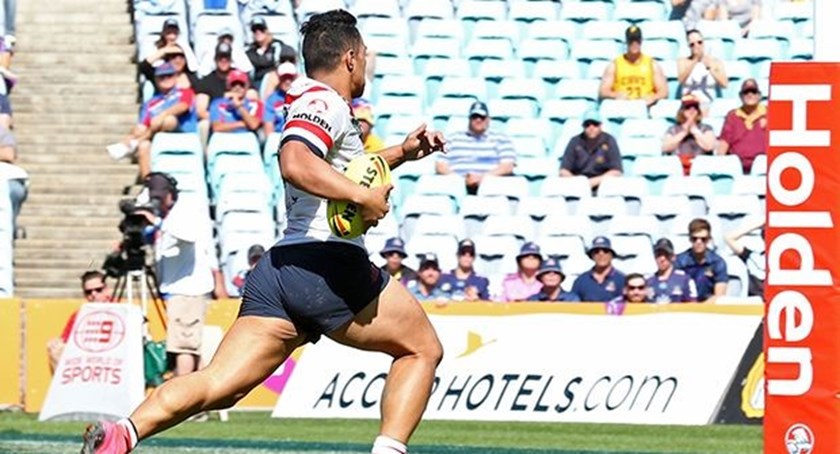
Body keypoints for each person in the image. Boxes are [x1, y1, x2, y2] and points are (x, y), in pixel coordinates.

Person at [82, 10, 445, 454]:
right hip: (327, 263)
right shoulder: (323, 102)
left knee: (220, 384)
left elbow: (343, 167)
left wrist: (402, 153)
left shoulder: (318, 103)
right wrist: (362, 197)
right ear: (350, 58)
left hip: (283, 270)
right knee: (421, 349)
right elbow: (295, 161)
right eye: (365, 56)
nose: (366, 64)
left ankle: (122, 434)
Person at [140, 173, 228, 380]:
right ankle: (195, 390)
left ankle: (182, 391)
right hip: (176, 288)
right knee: (185, 343)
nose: (156, 201)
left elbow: (188, 236)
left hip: (188, 288)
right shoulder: (165, 215)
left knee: (184, 345)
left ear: (171, 194)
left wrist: (157, 222)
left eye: (160, 197)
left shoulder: (184, 212)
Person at [106, 63, 198, 179]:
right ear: (156, 79)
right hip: (155, 133)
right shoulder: (151, 102)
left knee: (168, 120)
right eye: (162, 77)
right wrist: (134, 134)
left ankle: (132, 144)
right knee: (142, 140)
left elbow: (183, 106)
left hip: (181, 132)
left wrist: (162, 116)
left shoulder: (185, 92)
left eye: (169, 75)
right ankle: (148, 181)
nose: (166, 79)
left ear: (175, 77)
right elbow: (142, 124)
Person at [435, 101, 515, 195]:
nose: (478, 120)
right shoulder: (452, 139)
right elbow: (440, 165)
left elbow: (507, 166)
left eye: (482, 117)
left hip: (491, 186)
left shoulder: (501, 139)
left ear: (488, 119)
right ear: (469, 119)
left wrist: (482, 178)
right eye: (474, 117)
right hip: (456, 186)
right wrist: (461, 180)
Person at [47, 271, 113, 373]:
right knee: (54, 345)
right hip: (86, 355)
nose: (93, 294)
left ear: (107, 290)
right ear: (84, 295)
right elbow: (65, 340)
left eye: (98, 290)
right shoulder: (79, 315)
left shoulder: (121, 308)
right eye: (89, 292)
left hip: (112, 355)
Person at [599, 25, 668, 107]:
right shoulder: (614, 65)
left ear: (641, 41)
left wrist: (653, 97)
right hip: (622, 106)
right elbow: (603, 91)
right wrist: (616, 95)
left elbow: (663, 91)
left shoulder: (652, 64)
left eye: (637, 41)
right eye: (631, 41)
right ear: (626, 42)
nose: (634, 44)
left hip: (644, 106)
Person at [559, 109, 622, 191]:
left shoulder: (609, 141)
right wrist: (576, 183)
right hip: (578, 185)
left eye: (595, 124)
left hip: (603, 185)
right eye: (587, 125)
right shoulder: (575, 141)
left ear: (600, 125)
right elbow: (564, 170)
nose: (591, 128)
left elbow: (616, 171)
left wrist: (591, 182)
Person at [717, 78, 767, 174]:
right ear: (740, 96)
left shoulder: (770, 113)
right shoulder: (733, 116)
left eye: (753, 92)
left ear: (759, 95)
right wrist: (720, 162)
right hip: (737, 167)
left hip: (764, 166)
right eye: (746, 92)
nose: (750, 95)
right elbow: (724, 142)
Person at [674, 218, 728, 302]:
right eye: (694, 239)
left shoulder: (717, 263)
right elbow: (674, 289)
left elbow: (719, 296)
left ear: (709, 239)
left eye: (703, 239)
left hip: (709, 306)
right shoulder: (679, 262)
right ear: (690, 239)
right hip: (684, 305)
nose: (699, 242)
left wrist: (700, 308)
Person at [661, 94, 716, 175]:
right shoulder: (672, 129)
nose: (692, 110)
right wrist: (684, 132)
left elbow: (709, 146)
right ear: (682, 111)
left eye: (695, 108)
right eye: (688, 108)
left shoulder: (706, 128)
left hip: (701, 166)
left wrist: (695, 131)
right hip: (678, 165)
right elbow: (666, 147)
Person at [196, 43, 235, 151]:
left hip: (239, 118)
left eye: (226, 57)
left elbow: (253, 98)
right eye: (220, 57)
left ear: (231, 59)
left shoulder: (240, 77)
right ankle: (204, 156)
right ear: (215, 59)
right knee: (203, 125)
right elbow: (200, 110)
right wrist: (221, 119)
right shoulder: (207, 81)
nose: (223, 61)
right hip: (216, 120)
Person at [677, 29, 727, 110]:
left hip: (709, 104)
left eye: (699, 42)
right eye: (692, 44)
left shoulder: (715, 62)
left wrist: (710, 67)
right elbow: (681, 80)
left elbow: (724, 84)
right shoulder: (683, 61)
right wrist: (695, 60)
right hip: (689, 104)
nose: (696, 46)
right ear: (688, 46)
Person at [246, 16, 297, 89]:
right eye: (255, 30)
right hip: (256, 83)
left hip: (277, 83)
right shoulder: (249, 51)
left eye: (261, 29)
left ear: (267, 30)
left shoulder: (278, 47)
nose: (258, 32)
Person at [571, 236, 626, 302]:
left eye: (605, 251)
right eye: (596, 251)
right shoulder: (581, 281)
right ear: (592, 256)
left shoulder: (622, 280)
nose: (601, 254)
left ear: (612, 255)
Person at [209, 70, 263, 134]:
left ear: (247, 86)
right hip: (223, 136)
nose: (237, 87)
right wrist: (243, 124)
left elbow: (254, 125)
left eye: (241, 84)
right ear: (228, 86)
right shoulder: (217, 103)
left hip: (246, 136)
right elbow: (216, 127)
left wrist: (239, 107)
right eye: (234, 84)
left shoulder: (256, 104)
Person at [646, 238, 698, 304]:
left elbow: (693, 305)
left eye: (666, 255)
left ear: (673, 257)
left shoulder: (685, 280)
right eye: (658, 255)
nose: (662, 259)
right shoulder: (648, 281)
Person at [724, 217, 765, 299]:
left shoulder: (787, 259)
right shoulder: (752, 256)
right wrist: (762, 223)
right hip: (756, 303)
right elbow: (729, 238)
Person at [0, 125, 26, 236]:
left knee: (15, 190)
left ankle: (8, 231)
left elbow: (8, 154)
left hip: (3, 178)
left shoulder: (2, 132)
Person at [263, 62, 298, 137]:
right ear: (279, 79)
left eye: (290, 78)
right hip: (278, 136)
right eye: (284, 78)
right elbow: (268, 129)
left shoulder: (302, 96)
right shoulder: (271, 100)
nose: (287, 81)